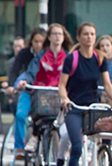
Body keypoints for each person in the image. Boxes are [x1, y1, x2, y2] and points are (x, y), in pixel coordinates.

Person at [58, 22, 112, 166]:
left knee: (107, 138)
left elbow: (107, 84)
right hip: (75, 108)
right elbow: (62, 85)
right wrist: (65, 99)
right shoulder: (72, 59)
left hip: (93, 108)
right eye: (85, 34)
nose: (89, 37)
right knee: (76, 146)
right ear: (78, 37)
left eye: (92, 34)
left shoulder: (99, 58)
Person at [15, 24, 73, 152]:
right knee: (37, 114)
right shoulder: (41, 56)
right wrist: (25, 81)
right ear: (50, 37)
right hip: (42, 92)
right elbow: (31, 72)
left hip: (60, 94)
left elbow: (73, 75)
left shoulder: (68, 57)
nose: (57, 37)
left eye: (60, 34)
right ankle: (34, 137)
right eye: (55, 34)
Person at [11, 28, 47, 159]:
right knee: (20, 115)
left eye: (41, 42)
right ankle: (19, 147)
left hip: (44, 93)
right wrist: (12, 85)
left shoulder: (48, 55)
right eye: (35, 41)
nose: (38, 45)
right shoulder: (25, 53)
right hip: (28, 89)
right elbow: (15, 70)